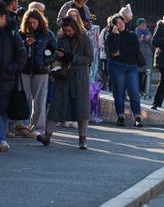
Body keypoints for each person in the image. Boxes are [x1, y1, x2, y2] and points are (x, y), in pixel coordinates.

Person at [37, 16, 93, 149]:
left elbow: (90, 58)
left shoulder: (84, 37)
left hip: (79, 76)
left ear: (74, 27)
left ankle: (82, 138)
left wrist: (73, 58)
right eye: (66, 30)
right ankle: (47, 136)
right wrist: (57, 56)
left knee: (81, 107)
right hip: (63, 75)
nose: (68, 33)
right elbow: (57, 54)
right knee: (56, 104)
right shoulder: (61, 37)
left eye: (70, 30)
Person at [19, 9, 56, 135]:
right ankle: (23, 126)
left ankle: (37, 128)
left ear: (40, 22)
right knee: (24, 99)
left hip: (41, 70)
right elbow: (16, 50)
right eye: (30, 23)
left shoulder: (48, 34)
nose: (32, 25)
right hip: (24, 70)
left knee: (40, 100)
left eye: (34, 22)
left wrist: (45, 61)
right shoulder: (21, 33)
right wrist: (25, 43)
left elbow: (54, 52)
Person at [106, 14, 144, 127]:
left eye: (121, 21)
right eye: (117, 22)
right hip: (116, 66)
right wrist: (116, 37)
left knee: (134, 92)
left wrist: (120, 52)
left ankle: (137, 117)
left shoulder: (132, 35)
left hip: (131, 66)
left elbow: (135, 50)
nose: (120, 24)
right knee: (119, 93)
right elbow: (113, 51)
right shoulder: (110, 36)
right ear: (114, 25)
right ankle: (120, 116)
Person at [0, 1, 27, 152]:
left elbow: (22, 54)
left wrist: (12, 68)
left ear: (3, 17)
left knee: (2, 109)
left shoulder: (11, 32)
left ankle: (1, 140)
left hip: (6, 78)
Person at [135, 18, 153, 95]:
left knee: (147, 73)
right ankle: (138, 89)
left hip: (148, 56)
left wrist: (149, 40)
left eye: (144, 24)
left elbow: (153, 45)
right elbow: (134, 45)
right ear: (138, 25)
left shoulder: (148, 33)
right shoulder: (135, 33)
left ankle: (145, 89)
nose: (144, 26)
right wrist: (139, 40)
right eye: (142, 24)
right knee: (139, 73)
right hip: (139, 56)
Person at [98, 17, 113, 91]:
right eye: (110, 22)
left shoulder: (115, 31)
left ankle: (111, 87)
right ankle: (104, 85)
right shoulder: (104, 31)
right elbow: (99, 43)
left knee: (110, 71)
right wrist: (106, 47)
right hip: (104, 55)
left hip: (111, 56)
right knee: (103, 71)